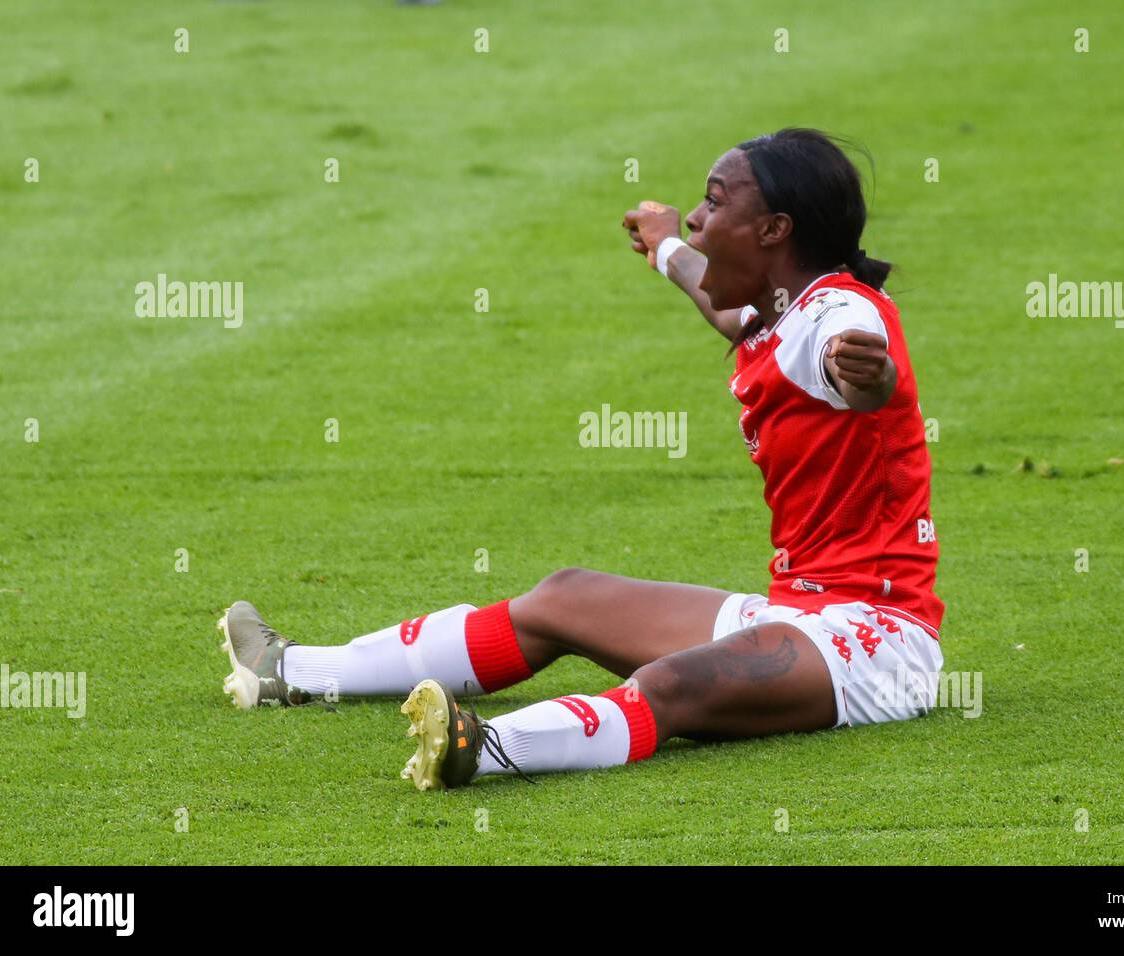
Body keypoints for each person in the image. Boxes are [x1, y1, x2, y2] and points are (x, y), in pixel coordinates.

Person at [217, 128, 945, 790]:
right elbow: (717, 297)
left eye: (714, 202)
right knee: (565, 597)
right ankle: (291, 671)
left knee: (669, 685)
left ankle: (483, 745)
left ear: (774, 230)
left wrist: (868, 375)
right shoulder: (778, 307)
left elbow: (857, 365)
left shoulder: (839, 318)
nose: (696, 214)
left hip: (877, 645)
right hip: (797, 613)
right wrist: (662, 244)